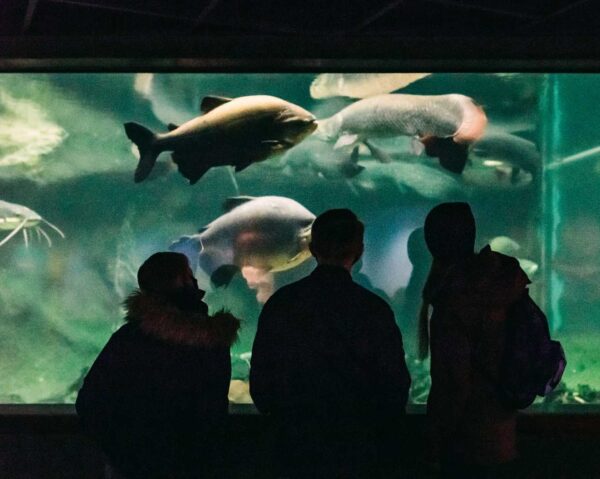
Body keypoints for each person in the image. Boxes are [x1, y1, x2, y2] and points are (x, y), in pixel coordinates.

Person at [250, 208, 411, 479]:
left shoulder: (282, 304)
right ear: (359, 250)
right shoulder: (373, 309)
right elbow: (394, 386)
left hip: (294, 448)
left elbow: (262, 383)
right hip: (358, 450)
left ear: (312, 249)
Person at [76, 252, 240, 479]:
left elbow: (90, 401)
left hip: (133, 466)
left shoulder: (129, 337)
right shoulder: (212, 339)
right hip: (195, 467)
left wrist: (120, 451)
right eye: (189, 275)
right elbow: (213, 411)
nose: (194, 280)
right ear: (182, 282)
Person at [419, 202, 530, 478]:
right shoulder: (501, 284)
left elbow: (455, 383)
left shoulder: (453, 300)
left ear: (433, 244)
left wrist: (436, 442)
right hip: (503, 432)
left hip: (464, 444)